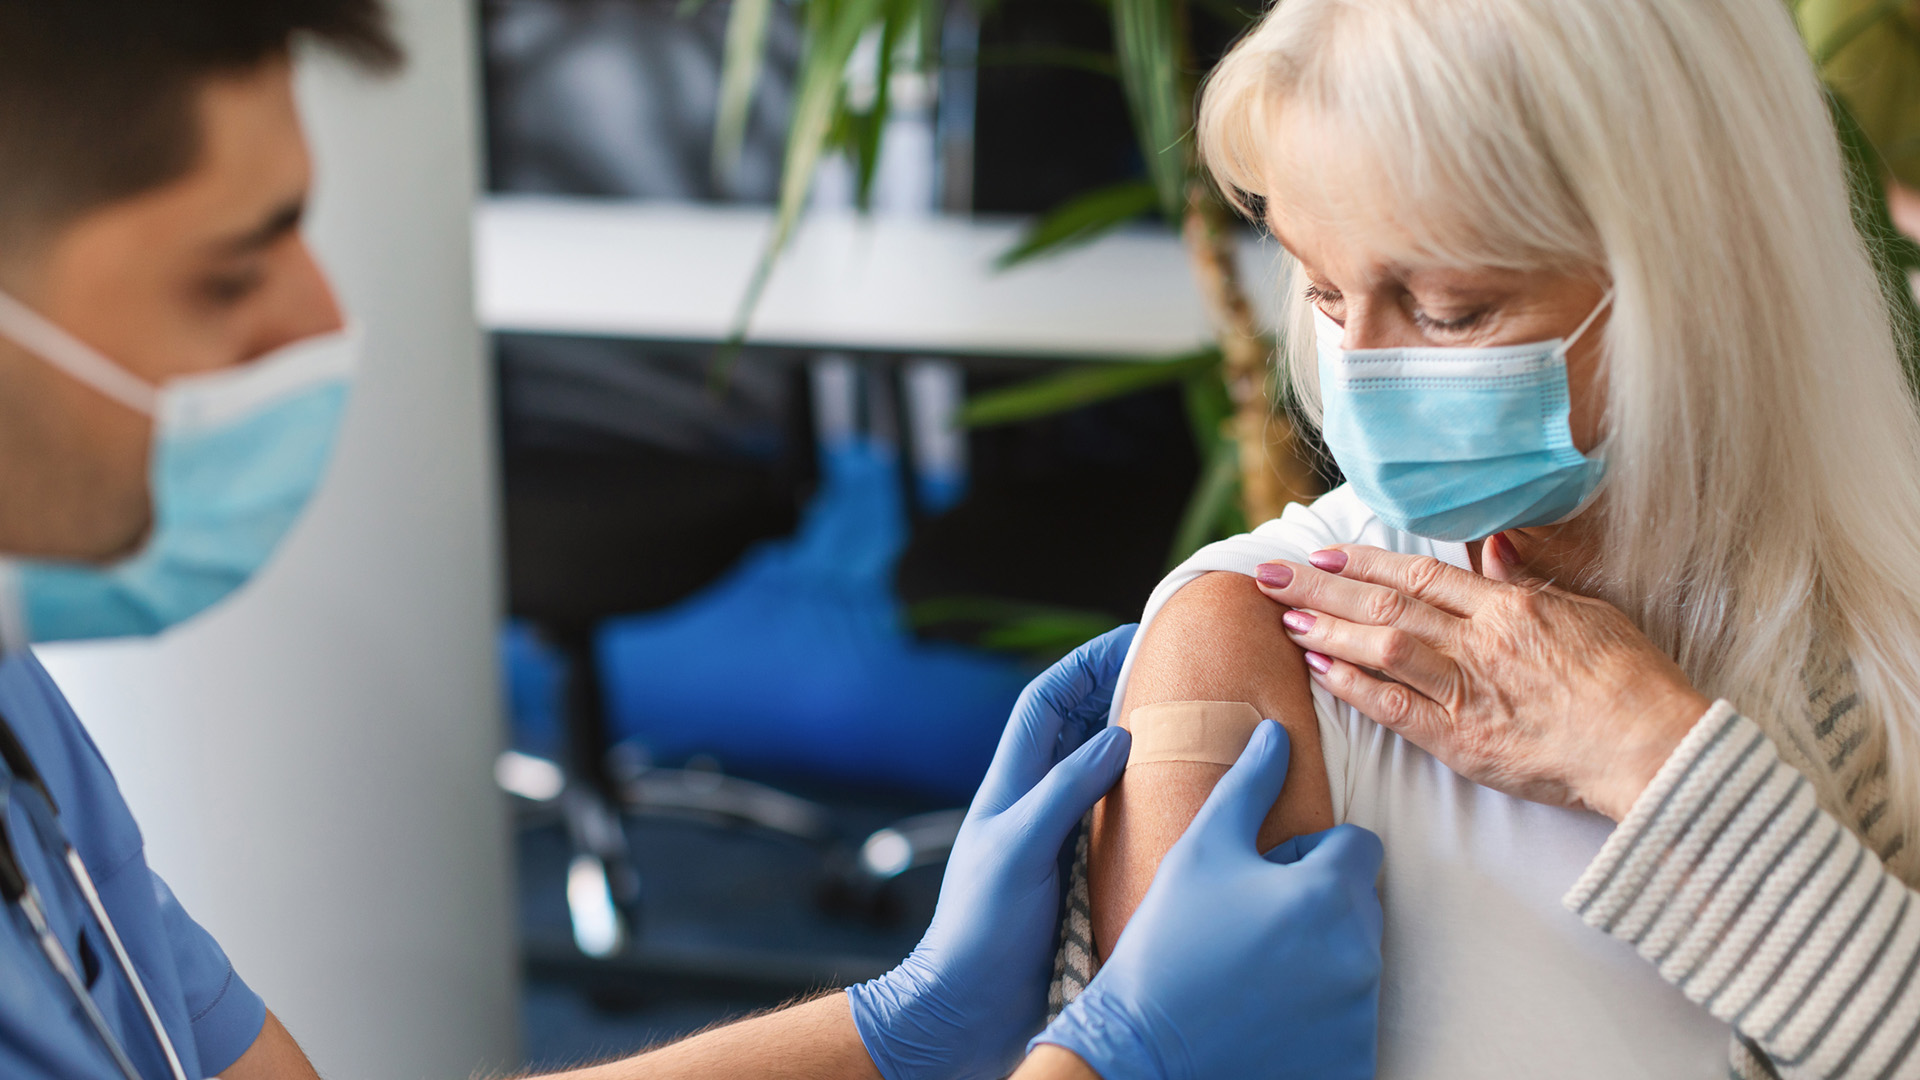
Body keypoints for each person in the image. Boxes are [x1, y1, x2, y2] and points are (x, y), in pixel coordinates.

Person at [0, 3, 1387, 1079]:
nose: (317, 327)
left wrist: (892, 1028)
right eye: (230, 269)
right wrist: (1105, 1060)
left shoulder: (23, 724)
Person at [1058, 0, 1920, 1077]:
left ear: (1704, 277)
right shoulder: (1252, 640)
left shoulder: (1876, 625)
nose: (1359, 374)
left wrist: (1651, 760)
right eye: (1323, 288)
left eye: (1451, 310)